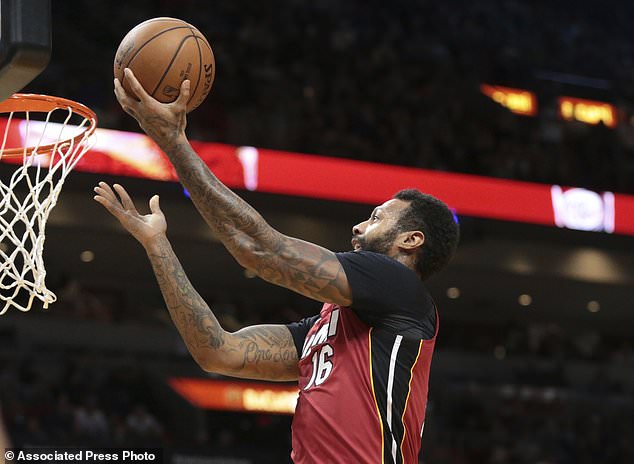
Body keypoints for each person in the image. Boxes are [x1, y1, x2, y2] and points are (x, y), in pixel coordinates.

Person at [95, 68, 459, 463]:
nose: (358, 226)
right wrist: (156, 244)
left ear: (411, 240)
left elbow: (264, 251)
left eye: (375, 218)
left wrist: (175, 143)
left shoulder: (398, 286)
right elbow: (219, 352)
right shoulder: (330, 328)